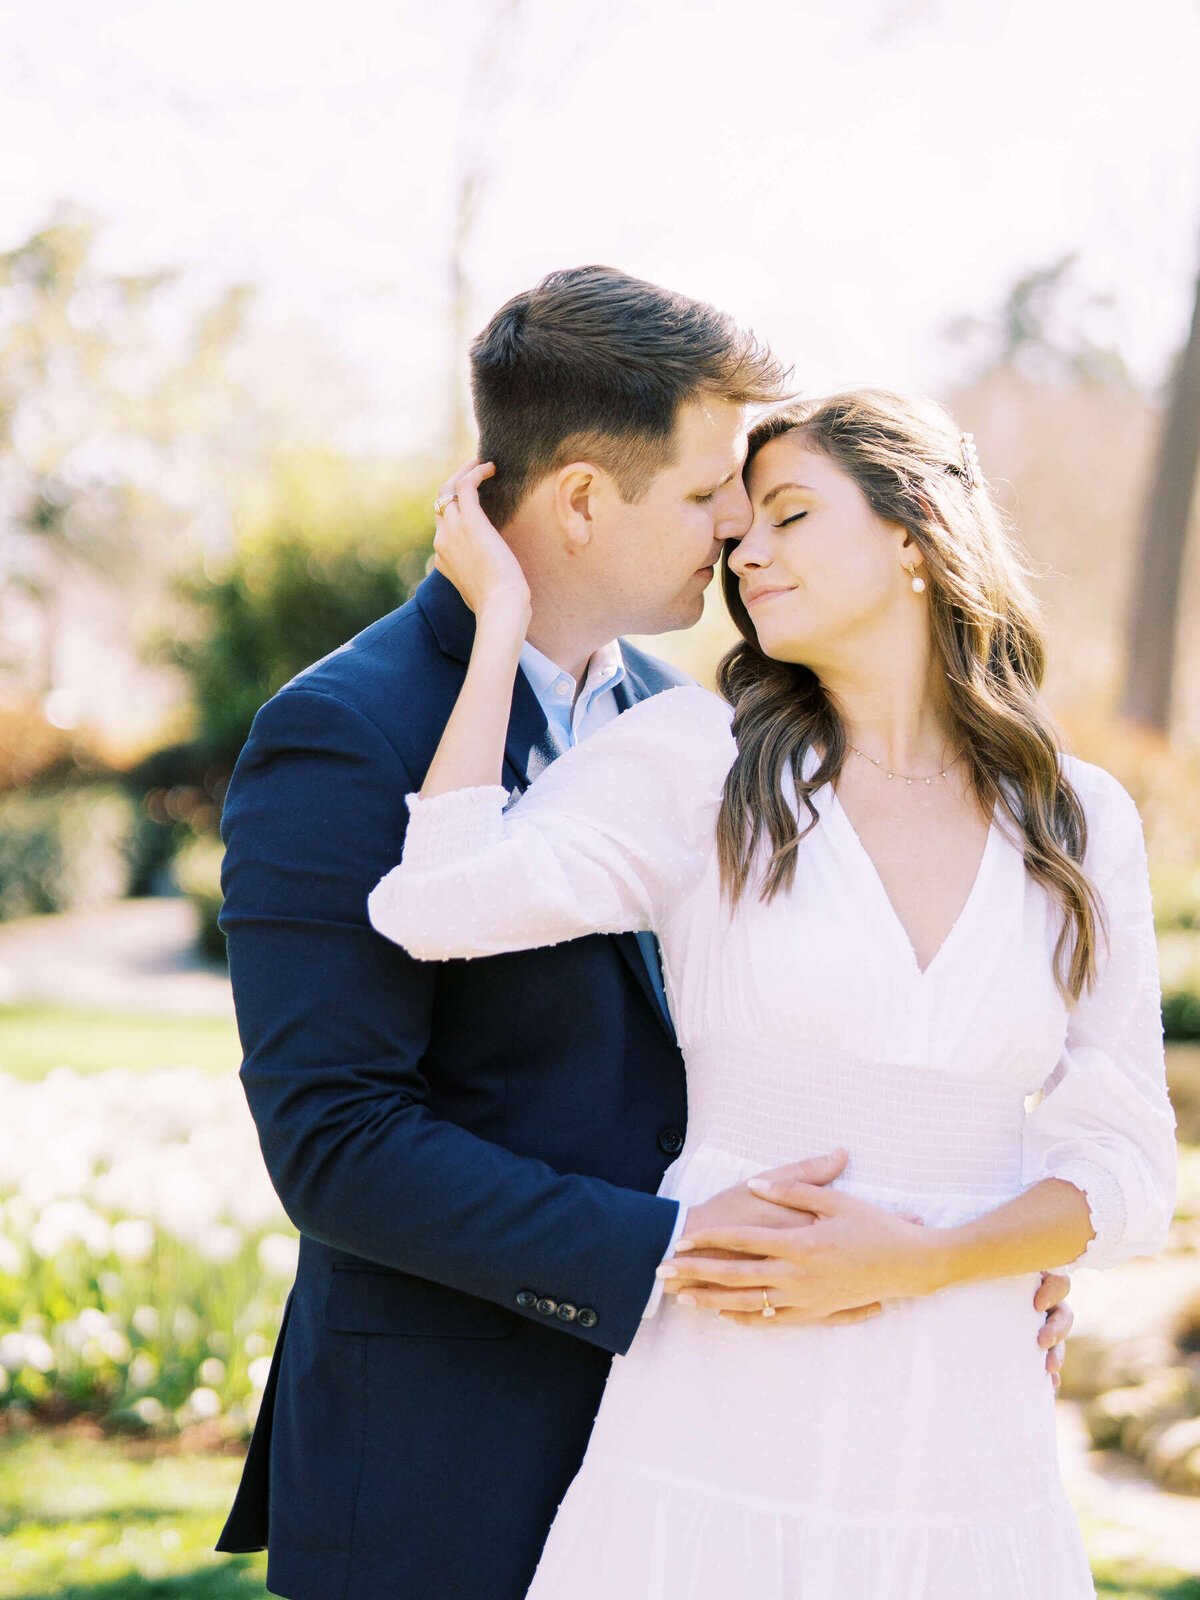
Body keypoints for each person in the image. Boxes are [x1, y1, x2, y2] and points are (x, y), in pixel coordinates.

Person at [215, 266, 1074, 1600]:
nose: (739, 525)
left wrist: (962, 1252)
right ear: (578, 502)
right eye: (707, 489)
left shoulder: (715, 728)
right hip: (455, 1458)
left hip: (714, 1445)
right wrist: (677, 1248)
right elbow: (337, 1144)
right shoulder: (344, 731)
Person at [367, 388, 1178, 1598]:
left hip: (963, 1428)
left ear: (915, 533)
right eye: (741, 526)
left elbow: (1126, 1166)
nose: (746, 549)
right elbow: (435, 902)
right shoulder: (702, 762)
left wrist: (924, 1257)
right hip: (724, 1406)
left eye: (790, 514)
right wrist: (504, 627)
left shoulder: (1076, 817)